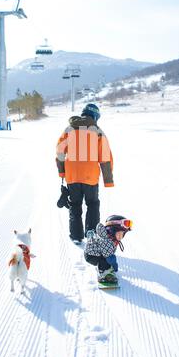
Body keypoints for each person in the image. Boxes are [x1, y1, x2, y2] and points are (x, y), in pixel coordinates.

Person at [56, 103, 114, 243]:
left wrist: (62, 172)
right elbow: (105, 157)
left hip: (72, 175)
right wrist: (108, 180)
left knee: (75, 204)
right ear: (94, 116)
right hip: (90, 177)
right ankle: (92, 233)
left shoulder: (69, 130)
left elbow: (60, 151)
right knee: (92, 204)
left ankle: (76, 236)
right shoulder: (98, 131)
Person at [84, 215, 133, 284]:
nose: (120, 236)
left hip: (94, 252)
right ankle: (103, 274)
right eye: (119, 234)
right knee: (106, 259)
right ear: (112, 231)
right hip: (91, 256)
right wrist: (114, 265)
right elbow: (109, 257)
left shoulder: (111, 238)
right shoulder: (107, 240)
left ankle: (105, 268)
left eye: (122, 234)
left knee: (106, 258)